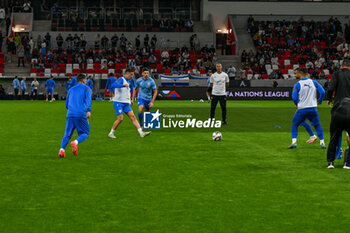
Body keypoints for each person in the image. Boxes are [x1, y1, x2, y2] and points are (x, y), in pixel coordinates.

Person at [288, 68, 326, 149]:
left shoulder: (298, 84)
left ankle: (294, 142)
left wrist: (296, 104)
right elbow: (323, 92)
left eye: (296, 73)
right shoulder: (314, 82)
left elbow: (294, 97)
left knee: (295, 124)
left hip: (302, 109)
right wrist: (320, 101)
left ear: (300, 73)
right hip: (313, 108)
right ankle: (322, 143)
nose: (295, 75)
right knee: (317, 125)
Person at [108, 69, 151, 139]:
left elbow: (130, 90)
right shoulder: (121, 79)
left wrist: (130, 100)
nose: (132, 76)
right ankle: (111, 133)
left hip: (126, 103)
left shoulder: (130, 81)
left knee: (133, 117)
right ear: (127, 73)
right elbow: (113, 85)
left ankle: (141, 133)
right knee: (120, 119)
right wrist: (122, 85)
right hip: (118, 102)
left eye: (132, 75)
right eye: (131, 74)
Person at [58, 74, 92, 158]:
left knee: (67, 135)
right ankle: (75, 142)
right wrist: (88, 110)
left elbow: (66, 104)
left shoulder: (71, 89)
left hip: (70, 114)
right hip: (80, 113)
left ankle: (62, 150)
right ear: (84, 80)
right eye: (86, 79)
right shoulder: (87, 88)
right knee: (85, 133)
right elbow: (88, 100)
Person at [326, 59, 350, 169]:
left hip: (338, 109)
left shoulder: (336, 74)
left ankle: (330, 163)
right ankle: (347, 163)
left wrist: (329, 99)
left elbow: (330, 88)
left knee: (334, 137)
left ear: (341, 66)